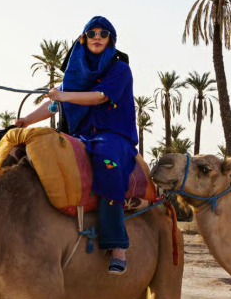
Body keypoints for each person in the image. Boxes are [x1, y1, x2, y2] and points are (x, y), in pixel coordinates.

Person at [15, 16, 138, 274]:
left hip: (113, 137)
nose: (97, 37)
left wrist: (62, 94)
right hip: (81, 136)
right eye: (91, 33)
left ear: (110, 40)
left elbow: (100, 97)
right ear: (82, 39)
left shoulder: (120, 70)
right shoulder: (75, 78)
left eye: (103, 33)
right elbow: (53, 105)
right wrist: (26, 120)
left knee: (106, 161)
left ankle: (117, 245)